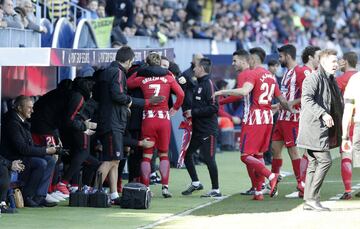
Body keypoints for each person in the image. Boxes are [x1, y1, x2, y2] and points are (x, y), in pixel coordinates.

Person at [215, 47, 292, 200]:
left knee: (245, 156)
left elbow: (244, 92)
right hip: (268, 118)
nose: (235, 64)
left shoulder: (251, 73)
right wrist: (291, 110)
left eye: (236, 61)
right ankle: (258, 192)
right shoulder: (270, 76)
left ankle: (270, 177)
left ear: (251, 59)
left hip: (253, 119)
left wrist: (220, 93)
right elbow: (282, 99)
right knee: (258, 155)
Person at [127, 52, 184, 198]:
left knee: (146, 155)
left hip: (148, 119)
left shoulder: (142, 78)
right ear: (160, 64)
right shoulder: (168, 77)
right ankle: (165, 187)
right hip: (164, 118)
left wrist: (141, 70)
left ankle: (146, 188)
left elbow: (127, 83)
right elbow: (181, 94)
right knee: (164, 154)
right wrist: (175, 108)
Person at [297, 49, 343, 211]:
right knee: (325, 161)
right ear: (322, 63)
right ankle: (312, 198)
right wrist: (323, 114)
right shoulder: (314, 78)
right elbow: (306, 99)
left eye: (337, 61)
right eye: (333, 62)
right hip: (314, 128)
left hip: (319, 128)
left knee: (313, 163)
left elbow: (337, 103)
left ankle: (309, 200)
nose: (336, 64)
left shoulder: (331, 79)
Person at [1, 95, 58, 207]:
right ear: (19, 108)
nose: (32, 110)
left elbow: (29, 145)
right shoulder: (12, 123)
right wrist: (46, 150)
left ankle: (40, 196)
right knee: (40, 163)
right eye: (29, 108)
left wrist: (46, 148)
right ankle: (27, 196)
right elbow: (22, 149)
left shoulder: (22, 121)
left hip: (22, 155)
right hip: (12, 158)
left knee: (50, 160)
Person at [181, 57, 221, 198]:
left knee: (209, 159)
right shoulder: (198, 84)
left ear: (202, 69)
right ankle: (196, 183)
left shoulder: (209, 84)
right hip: (197, 130)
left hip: (208, 130)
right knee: (187, 155)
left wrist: (194, 112)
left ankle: (216, 189)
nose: (193, 69)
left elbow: (214, 107)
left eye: (195, 67)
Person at [270, 44, 307, 197]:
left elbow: (308, 95)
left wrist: (290, 104)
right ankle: (273, 183)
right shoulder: (286, 73)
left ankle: (301, 184)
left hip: (292, 118)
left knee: (293, 151)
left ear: (288, 56)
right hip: (282, 118)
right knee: (275, 149)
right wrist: (278, 106)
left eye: (281, 57)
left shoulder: (300, 72)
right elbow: (286, 97)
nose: (279, 60)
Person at [336, 51, 358, 200]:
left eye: (340, 61)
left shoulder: (342, 79)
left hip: (351, 121)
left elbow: (334, 102)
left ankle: (348, 190)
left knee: (346, 155)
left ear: (345, 61)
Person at [298, 45, 321, 187]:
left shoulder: (312, 71)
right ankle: (303, 182)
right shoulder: (306, 72)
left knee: (311, 151)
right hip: (309, 115)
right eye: (318, 56)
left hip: (312, 114)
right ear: (310, 57)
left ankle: (304, 182)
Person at [341, 72, 360, 198]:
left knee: (346, 153)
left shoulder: (354, 79)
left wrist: (344, 134)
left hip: (357, 121)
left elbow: (347, 109)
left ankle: (348, 191)